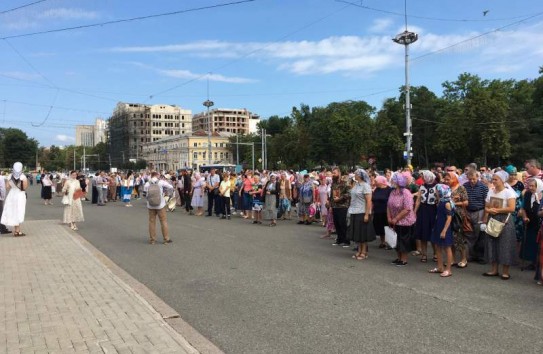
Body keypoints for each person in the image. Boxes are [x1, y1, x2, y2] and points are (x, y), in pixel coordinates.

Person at [481, 171, 517, 280]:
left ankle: (505, 272)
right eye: (493, 179)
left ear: (502, 180)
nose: (493, 181)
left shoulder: (508, 192)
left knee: (505, 244)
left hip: (504, 220)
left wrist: (497, 210)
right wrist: (489, 210)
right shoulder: (490, 191)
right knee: (492, 244)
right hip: (493, 218)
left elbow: (512, 208)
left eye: (496, 179)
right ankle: (494, 269)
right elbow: (486, 207)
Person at [387, 172, 416, 266]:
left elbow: (407, 209)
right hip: (394, 220)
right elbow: (388, 205)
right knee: (396, 240)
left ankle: (404, 259)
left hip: (404, 221)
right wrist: (389, 217)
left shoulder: (406, 193)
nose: (391, 181)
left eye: (393, 180)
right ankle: (398, 257)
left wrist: (396, 218)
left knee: (403, 240)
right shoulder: (393, 192)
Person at [347, 169, 375, 260]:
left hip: (362, 211)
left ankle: (364, 252)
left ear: (360, 175)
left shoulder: (366, 186)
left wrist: (367, 214)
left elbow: (368, 201)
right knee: (357, 233)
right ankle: (359, 250)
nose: (354, 175)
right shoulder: (356, 185)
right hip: (354, 211)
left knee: (363, 233)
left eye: (356, 174)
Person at [444, 172, 469, 268]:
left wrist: (454, 203)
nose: (446, 181)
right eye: (445, 179)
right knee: (450, 237)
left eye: (448, 179)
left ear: (454, 179)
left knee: (459, 238)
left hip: (458, 216)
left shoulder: (461, 188)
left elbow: (466, 202)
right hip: (447, 215)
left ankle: (463, 259)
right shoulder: (445, 188)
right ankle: (452, 259)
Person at [429, 184, 455, 277]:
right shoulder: (441, 201)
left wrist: (444, 230)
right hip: (438, 226)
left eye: (437, 190)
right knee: (438, 247)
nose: (435, 192)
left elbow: (449, 218)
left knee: (447, 248)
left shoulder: (447, 203)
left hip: (445, 228)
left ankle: (448, 269)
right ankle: (440, 267)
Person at [463, 169, 489, 263]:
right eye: (470, 179)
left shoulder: (483, 187)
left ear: (477, 177)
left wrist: (485, 216)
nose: (472, 181)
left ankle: (480, 256)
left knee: (479, 234)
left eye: (473, 179)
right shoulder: (465, 186)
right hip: (468, 211)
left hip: (479, 211)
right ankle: (471, 254)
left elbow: (487, 202)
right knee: (469, 234)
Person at [143, 171, 174, 244]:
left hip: (150, 205)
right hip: (160, 204)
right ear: (156, 175)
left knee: (152, 222)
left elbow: (144, 194)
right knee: (163, 221)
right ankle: (166, 239)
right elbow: (171, 187)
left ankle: (152, 240)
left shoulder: (147, 183)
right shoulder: (161, 182)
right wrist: (166, 193)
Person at [414, 171, 438, 263]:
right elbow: (418, 200)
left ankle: (435, 253)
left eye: (423, 177)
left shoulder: (437, 186)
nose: (422, 179)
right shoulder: (422, 186)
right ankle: (424, 254)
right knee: (423, 233)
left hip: (433, 210)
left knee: (433, 233)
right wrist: (414, 212)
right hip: (423, 210)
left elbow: (438, 200)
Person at [519, 178, 542, 269]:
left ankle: (539, 263)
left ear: (538, 186)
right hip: (530, 221)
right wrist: (524, 217)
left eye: (533, 186)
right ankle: (533, 263)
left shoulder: (542, 195)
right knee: (531, 242)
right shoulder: (528, 194)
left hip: (539, 222)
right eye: (529, 186)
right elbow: (524, 207)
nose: (530, 188)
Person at [1, 162, 28, 236]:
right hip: (20, 195)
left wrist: (13, 184)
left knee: (13, 211)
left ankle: (17, 230)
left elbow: (7, 187)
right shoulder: (23, 176)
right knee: (19, 211)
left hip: (11, 195)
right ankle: (17, 231)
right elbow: (24, 188)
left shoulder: (10, 176)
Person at [331, 168, 351, 247]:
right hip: (335, 206)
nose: (333, 174)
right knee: (336, 223)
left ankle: (346, 240)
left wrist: (340, 198)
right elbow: (331, 195)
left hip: (342, 206)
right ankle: (339, 239)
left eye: (334, 173)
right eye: (332, 173)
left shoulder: (345, 182)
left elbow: (349, 194)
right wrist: (329, 203)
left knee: (342, 223)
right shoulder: (333, 183)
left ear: (339, 173)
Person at [373, 175, 393, 249]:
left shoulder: (389, 189)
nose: (375, 182)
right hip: (377, 211)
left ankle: (390, 243)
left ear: (381, 182)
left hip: (386, 212)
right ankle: (383, 242)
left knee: (388, 227)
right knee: (380, 227)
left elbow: (391, 201)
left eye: (376, 181)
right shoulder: (376, 189)